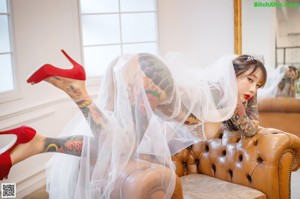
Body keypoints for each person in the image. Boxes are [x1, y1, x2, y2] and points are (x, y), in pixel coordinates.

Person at [0, 50, 266, 198]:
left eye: (259, 85)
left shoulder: (220, 97)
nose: (252, 89)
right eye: (249, 80)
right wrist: (244, 105)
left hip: (142, 68)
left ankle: (37, 142)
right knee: (121, 146)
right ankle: (77, 90)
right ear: (234, 73)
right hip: (156, 77)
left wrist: (248, 99)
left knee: (113, 145)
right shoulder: (224, 97)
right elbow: (250, 127)